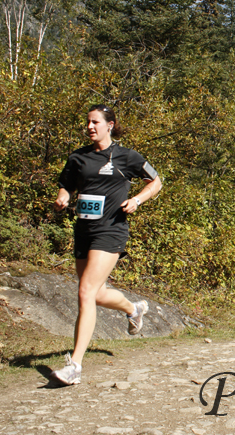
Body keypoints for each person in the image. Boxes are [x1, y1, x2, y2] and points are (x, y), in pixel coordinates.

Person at [50, 104, 162, 385]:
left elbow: (156, 182)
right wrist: (63, 197)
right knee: (95, 294)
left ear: (109, 125)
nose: (90, 127)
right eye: (87, 122)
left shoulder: (126, 157)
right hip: (84, 230)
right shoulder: (78, 157)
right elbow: (67, 184)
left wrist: (137, 200)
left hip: (111, 230)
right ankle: (133, 309)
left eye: (95, 122)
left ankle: (74, 365)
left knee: (85, 291)